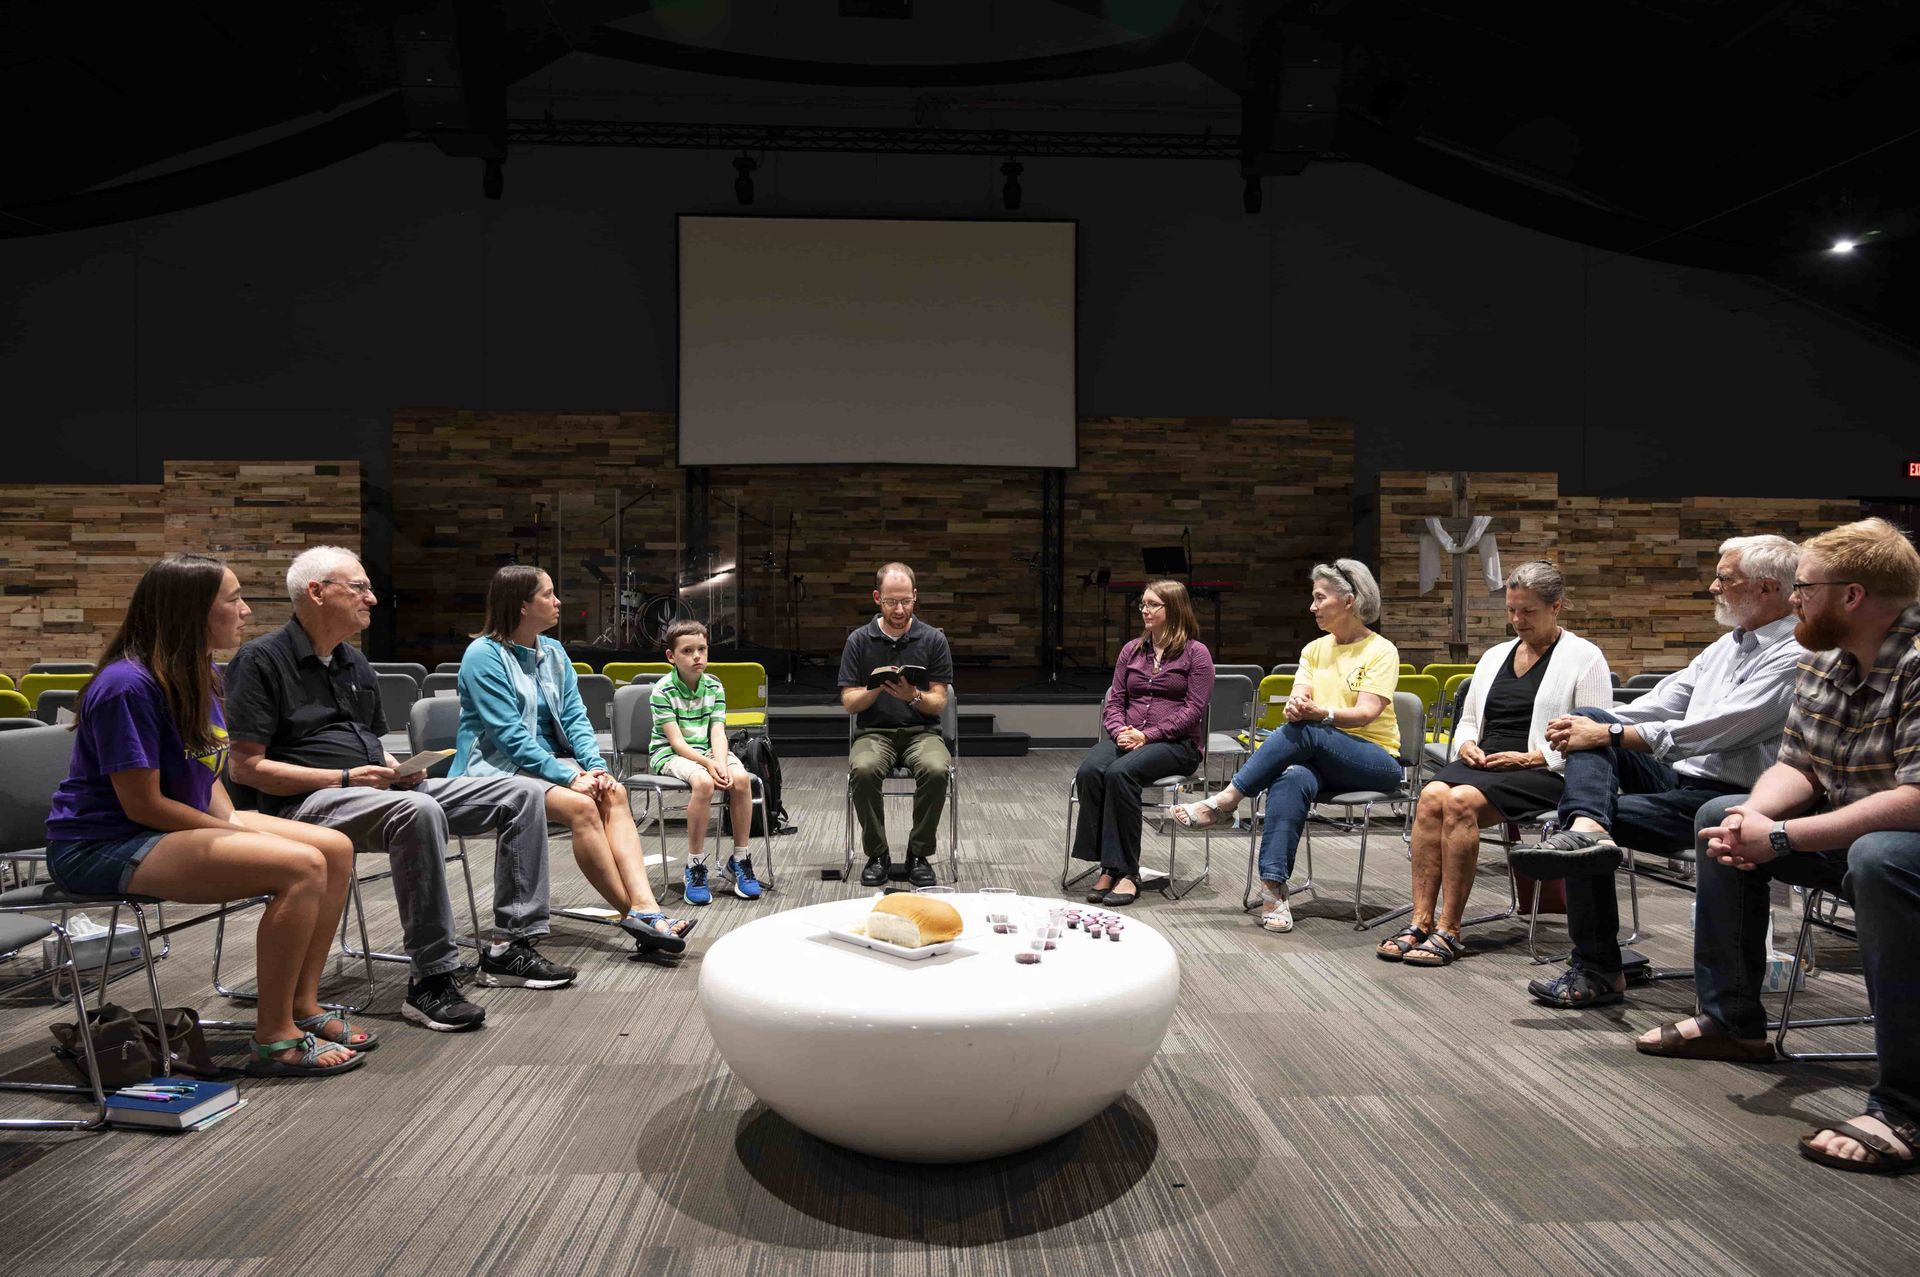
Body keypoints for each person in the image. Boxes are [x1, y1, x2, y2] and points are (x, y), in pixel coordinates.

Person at [1635, 519, 1920, 1175]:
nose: (1794, 598)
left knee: (1881, 856)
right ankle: (1733, 1021)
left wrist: (1785, 835)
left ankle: (1906, 1104)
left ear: (1850, 595)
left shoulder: (1916, 660)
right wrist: (1754, 819)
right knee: (1719, 812)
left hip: (1903, 848)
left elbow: (1916, 797)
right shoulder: (1822, 658)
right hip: (1855, 835)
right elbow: (1802, 766)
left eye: (1804, 587)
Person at [45, 555, 367, 1077]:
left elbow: (206, 770)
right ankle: (275, 1037)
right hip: (102, 843)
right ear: (192, 610)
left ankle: (303, 1007)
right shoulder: (127, 685)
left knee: (335, 847)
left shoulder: (198, 673)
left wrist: (234, 823)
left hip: (163, 827)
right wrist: (229, 831)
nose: (244, 611)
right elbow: (141, 804)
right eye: (233, 600)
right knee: (301, 864)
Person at [225, 546, 566, 1035]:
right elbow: (247, 769)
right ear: (317, 593)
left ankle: (511, 945)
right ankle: (431, 978)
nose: (372, 600)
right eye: (360, 588)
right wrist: (346, 779)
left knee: (520, 794)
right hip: (300, 805)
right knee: (418, 810)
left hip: (372, 789)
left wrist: (394, 767)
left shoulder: (354, 663)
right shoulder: (260, 661)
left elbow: (369, 746)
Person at [1510, 534, 1805, 1008]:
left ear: (1767, 588)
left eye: (1724, 579)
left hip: (1733, 799)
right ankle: (1590, 825)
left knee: (1584, 803)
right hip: (1681, 780)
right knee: (1599, 722)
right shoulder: (1727, 646)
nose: (1713, 587)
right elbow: (1664, 700)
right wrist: (1592, 725)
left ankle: (1598, 964)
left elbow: (1720, 730)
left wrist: (1605, 736)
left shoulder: (1794, 653)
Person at [1376, 561, 1612, 967]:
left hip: (1548, 769)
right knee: (1432, 795)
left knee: (1461, 800)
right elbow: (1468, 721)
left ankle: (1450, 929)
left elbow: (1595, 732)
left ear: (1556, 607)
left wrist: (1536, 756)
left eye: (1528, 612)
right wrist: (1467, 745)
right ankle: (1420, 921)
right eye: (1511, 610)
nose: (1517, 620)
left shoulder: (1584, 657)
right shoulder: (1495, 656)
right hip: (1487, 761)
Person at [452, 565, 697, 953]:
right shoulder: (483, 656)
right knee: (582, 806)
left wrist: (594, 766)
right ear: (521, 606)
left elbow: (575, 717)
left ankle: (647, 910)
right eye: (548, 595)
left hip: (550, 765)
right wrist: (568, 778)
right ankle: (639, 919)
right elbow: (510, 738)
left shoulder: (552, 651)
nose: (557, 602)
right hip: (493, 769)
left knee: (612, 791)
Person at [1174, 559, 1402, 934]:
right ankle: (1273, 890)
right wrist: (1299, 706)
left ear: (1348, 601)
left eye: (1319, 598)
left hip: (1374, 761)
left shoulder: (1380, 650)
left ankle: (1226, 801)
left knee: (1309, 730)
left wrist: (1318, 713)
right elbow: (1299, 696)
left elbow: (1365, 713)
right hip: (1320, 758)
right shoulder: (1314, 649)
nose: (1312, 607)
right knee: (1290, 778)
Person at [1069, 580, 1214, 907]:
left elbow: (1193, 711)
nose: (1144, 610)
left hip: (1176, 745)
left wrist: (1148, 735)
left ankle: (1127, 872)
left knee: (1120, 774)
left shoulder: (1196, 654)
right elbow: (1115, 700)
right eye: (1143, 605)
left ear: (1172, 609)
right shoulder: (1132, 650)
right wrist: (1120, 729)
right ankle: (1108, 864)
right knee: (1091, 770)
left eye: (1152, 605)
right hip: (1130, 736)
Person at [839, 562, 954, 888]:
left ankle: (919, 854)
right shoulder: (859, 641)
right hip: (874, 732)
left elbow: (939, 702)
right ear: (878, 598)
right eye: (891, 602)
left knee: (935, 769)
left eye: (905, 601)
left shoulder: (933, 640)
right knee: (862, 769)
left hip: (923, 732)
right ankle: (878, 855)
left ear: (915, 597)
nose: (899, 609)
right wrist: (877, 687)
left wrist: (912, 695)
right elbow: (849, 702)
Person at [646, 618, 760, 907]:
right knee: (704, 783)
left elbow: (718, 732)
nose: (697, 656)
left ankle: (740, 859)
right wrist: (709, 767)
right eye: (687, 651)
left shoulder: (714, 686)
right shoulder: (662, 691)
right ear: (671, 657)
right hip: (671, 754)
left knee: (742, 779)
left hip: (709, 751)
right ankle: (695, 865)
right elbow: (677, 743)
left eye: (702, 649)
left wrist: (720, 761)